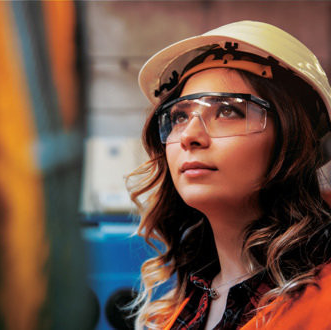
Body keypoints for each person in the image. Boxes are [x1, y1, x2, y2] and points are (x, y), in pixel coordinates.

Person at [128, 20, 331, 329]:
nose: (189, 136)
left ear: (293, 139)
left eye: (227, 111)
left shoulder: (323, 303)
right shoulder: (179, 309)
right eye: (179, 116)